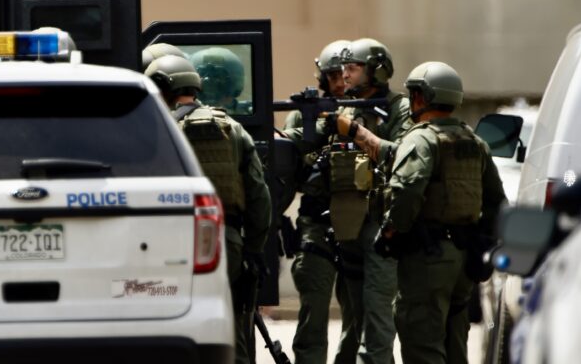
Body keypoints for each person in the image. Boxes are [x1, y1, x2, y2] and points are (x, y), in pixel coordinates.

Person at [370, 62, 505, 364]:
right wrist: (482, 242)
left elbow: (407, 189)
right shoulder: (475, 142)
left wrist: (392, 230)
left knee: (422, 341)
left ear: (421, 97)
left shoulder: (421, 139)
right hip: (462, 259)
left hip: (428, 259)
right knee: (455, 338)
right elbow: (497, 202)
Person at [144, 53, 271, 364]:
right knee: (233, 326)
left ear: (162, 86)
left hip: (171, 245)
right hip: (227, 242)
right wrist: (253, 250)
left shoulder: (158, 131)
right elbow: (259, 195)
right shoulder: (232, 128)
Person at [323, 38, 411, 364]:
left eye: (353, 67)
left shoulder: (398, 108)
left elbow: (404, 156)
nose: (345, 74)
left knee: (377, 314)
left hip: (381, 222)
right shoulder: (344, 107)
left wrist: (355, 131)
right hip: (348, 226)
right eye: (343, 68)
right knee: (355, 316)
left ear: (377, 70)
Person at [282, 39, 361, 364]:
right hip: (317, 224)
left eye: (348, 75)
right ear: (323, 78)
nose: (342, 82)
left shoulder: (368, 115)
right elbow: (287, 169)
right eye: (334, 76)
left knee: (359, 314)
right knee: (313, 312)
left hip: (358, 223)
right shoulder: (303, 118)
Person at [190, 47, 252, 115]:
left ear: (235, 83)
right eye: (201, 75)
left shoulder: (249, 112)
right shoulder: (180, 115)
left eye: (218, 76)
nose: (208, 81)